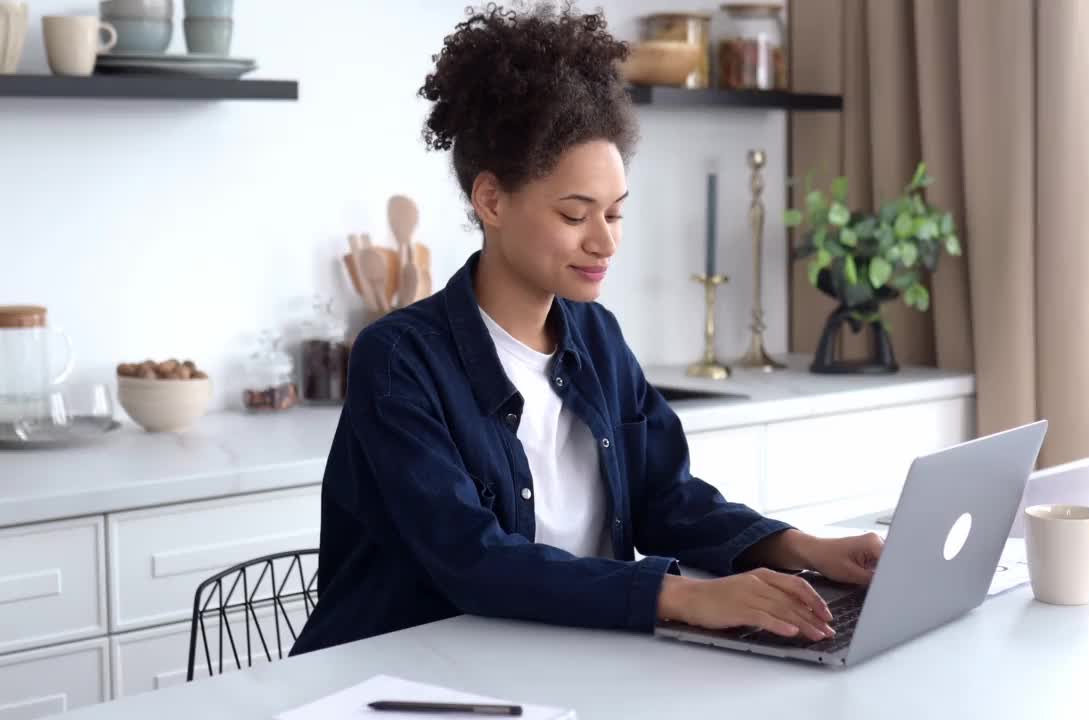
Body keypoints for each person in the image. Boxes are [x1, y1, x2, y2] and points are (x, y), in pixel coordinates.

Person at [289, 2, 883, 657]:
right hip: (412, 677)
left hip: (573, 659)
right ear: (491, 200)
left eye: (615, 213)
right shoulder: (399, 360)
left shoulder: (596, 335)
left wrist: (807, 549)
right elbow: (474, 561)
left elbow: (667, 497)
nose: (604, 242)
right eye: (576, 215)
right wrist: (685, 596)